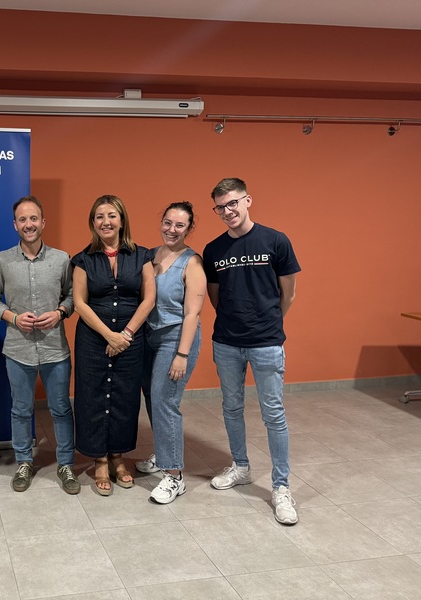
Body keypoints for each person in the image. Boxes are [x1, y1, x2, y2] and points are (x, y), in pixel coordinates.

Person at [203, 178, 300, 525]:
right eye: (220, 207)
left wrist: (267, 323)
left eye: (232, 203)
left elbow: (287, 294)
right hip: (226, 342)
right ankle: (241, 467)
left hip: (267, 342)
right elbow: (215, 297)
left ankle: (281, 486)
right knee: (231, 407)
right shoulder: (213, 250)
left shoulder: (276, 240)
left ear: (247, 201)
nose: (227, 211)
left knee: (273, 413)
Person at [0, 196, 79, 495]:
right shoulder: (2, 261)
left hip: (55, 348)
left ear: (43, 222)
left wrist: (60, 312)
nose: (29, 224)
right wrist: (12, 317)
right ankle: (24, 461)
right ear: (15, 225)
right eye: (23, 220)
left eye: (34, 218)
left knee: (61, 408)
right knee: (21, 410)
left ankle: (66, 464)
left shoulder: (62, 259)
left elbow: (72, 296)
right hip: (18, 350)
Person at [71, 195, 155, 496]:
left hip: (131, 340)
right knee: (92, 397)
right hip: (94, 339)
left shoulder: (142, 255)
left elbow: (149, 299)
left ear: (122, 219)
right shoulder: (82, 259)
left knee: (125, 397)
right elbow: (79, 303)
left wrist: (126, 335)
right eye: (99, 217)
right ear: (93, 223)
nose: (106, 222)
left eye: (111, 215)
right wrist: (110, 335)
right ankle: (100, 459)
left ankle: (119, 457)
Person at [142, 202, 206, 505]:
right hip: (149, 337)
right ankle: (164, 453)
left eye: (180, 225)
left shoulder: (192, 262)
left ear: (189, 229)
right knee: (153, 399)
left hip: (176, 338)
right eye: (168, 222)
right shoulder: (152, 254)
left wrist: (181, 354)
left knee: (166, 401)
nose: (172, 229)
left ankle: (174, 476)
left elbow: (193, 312)